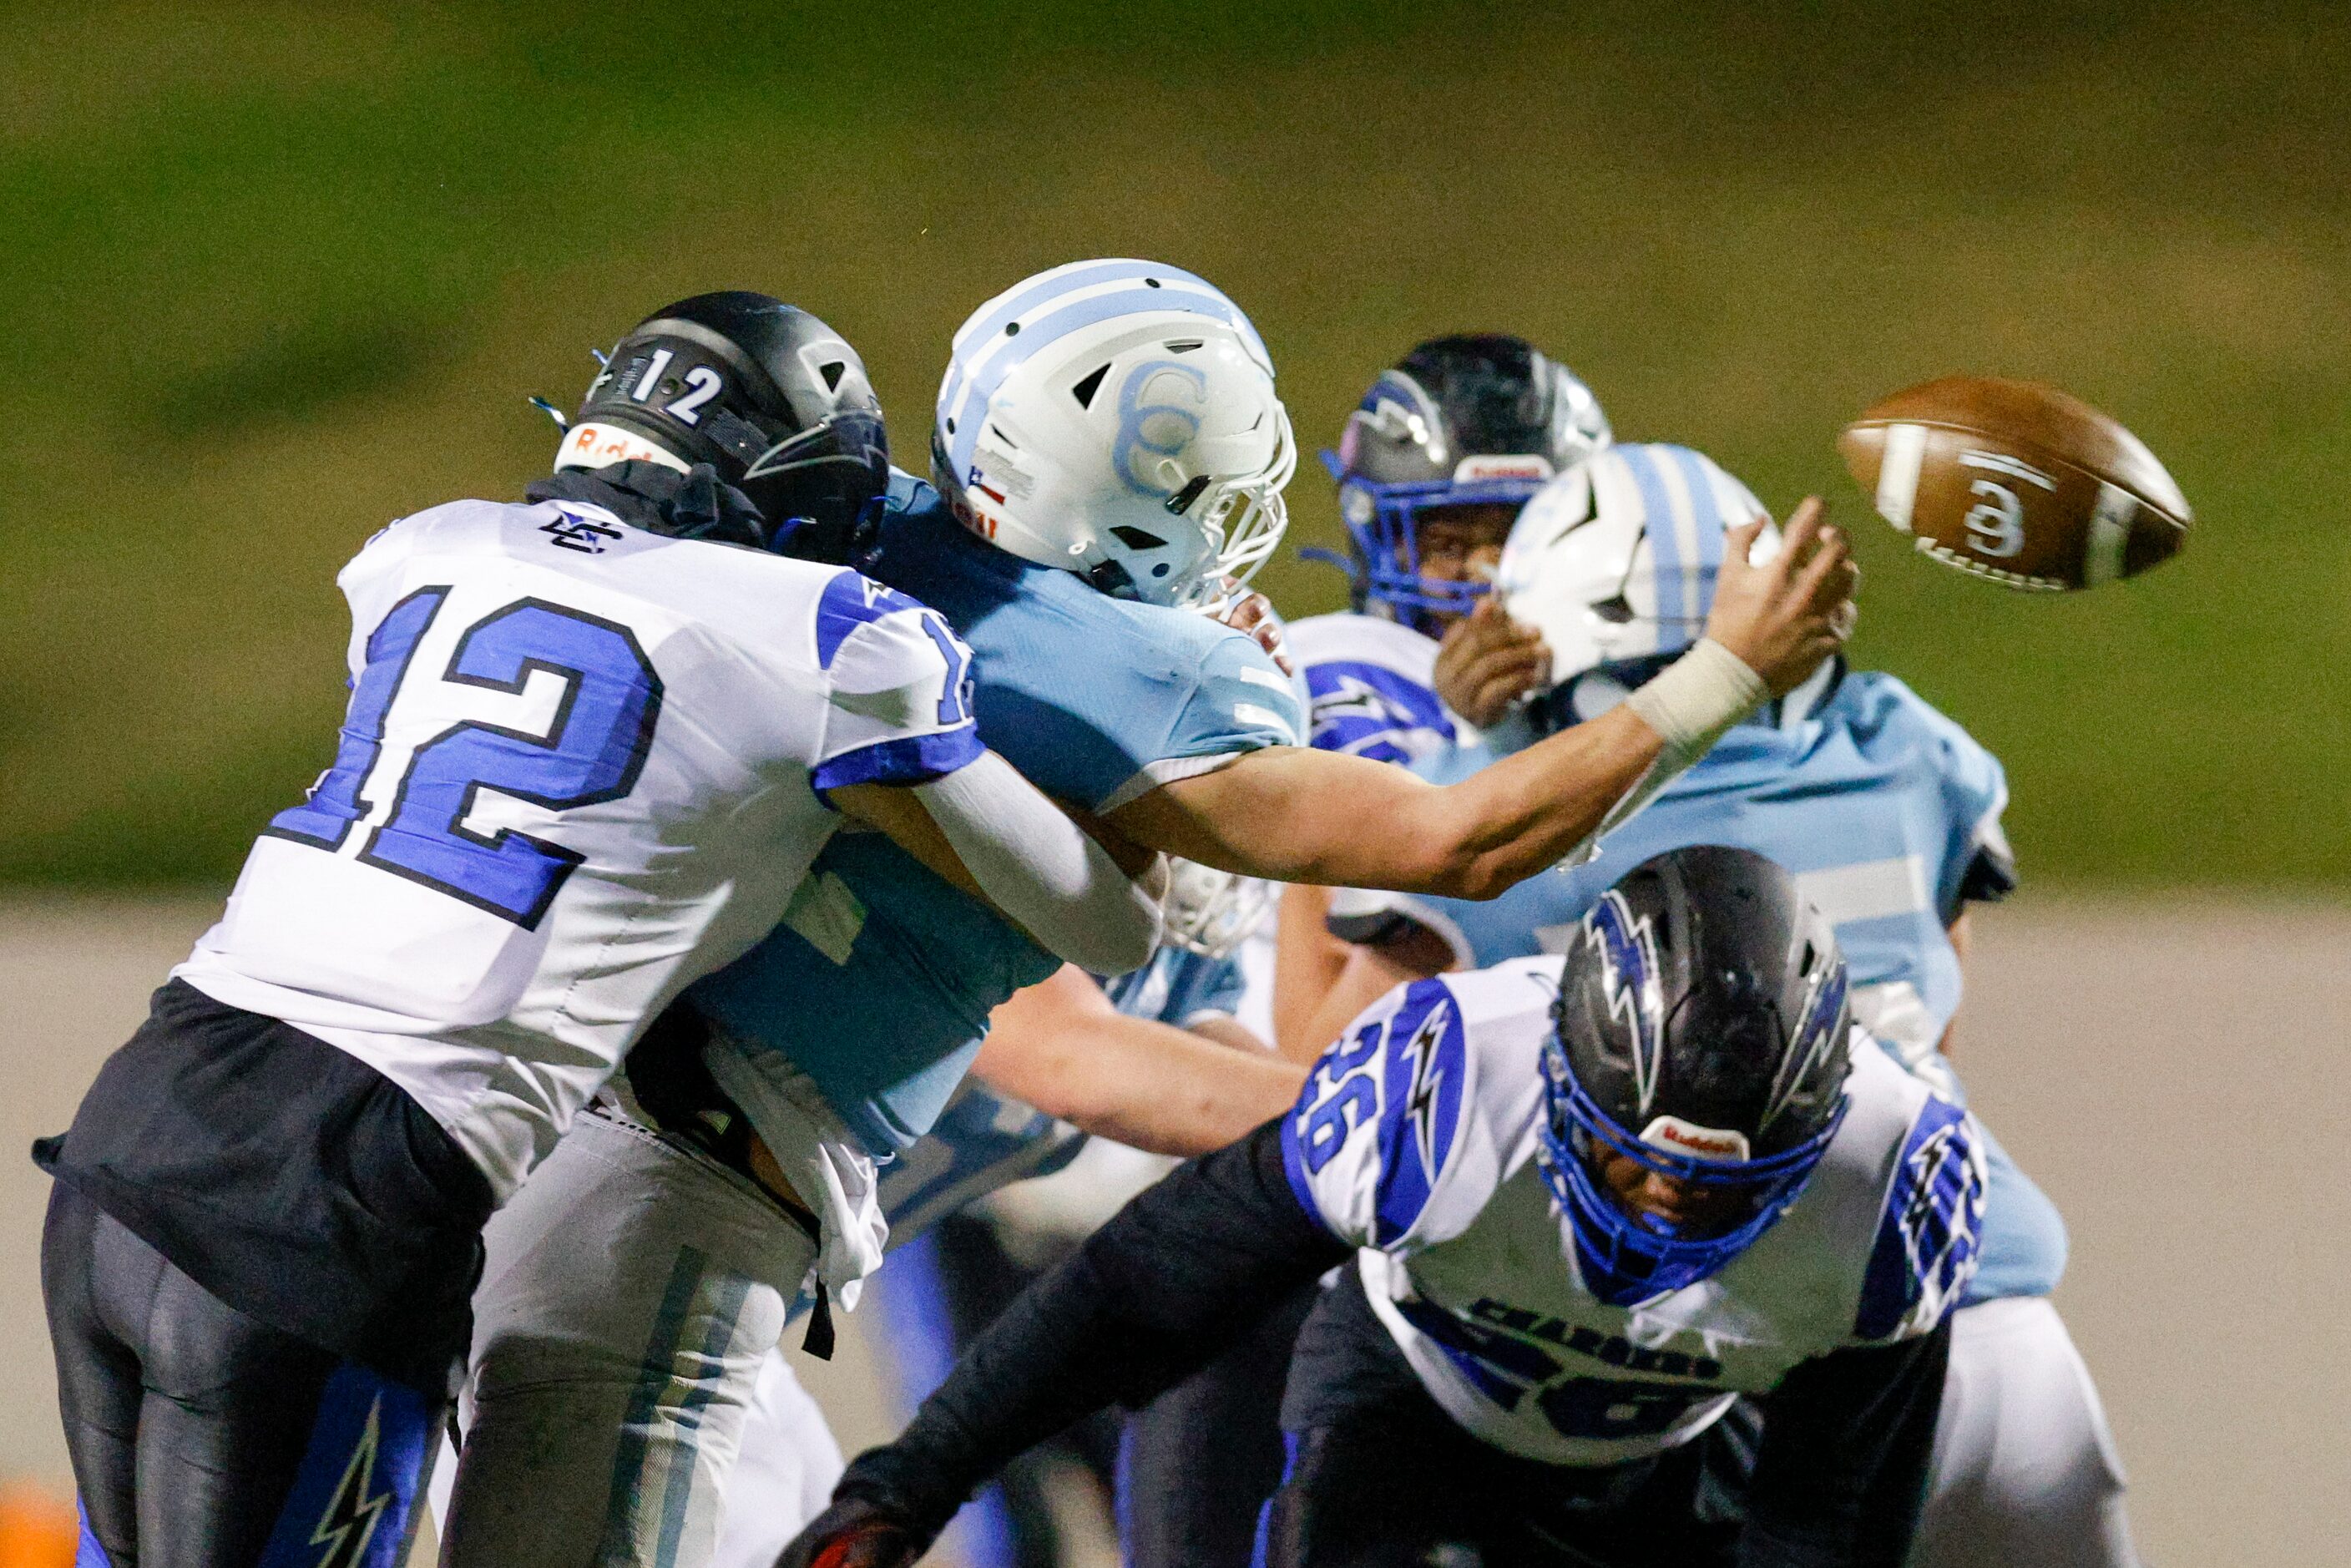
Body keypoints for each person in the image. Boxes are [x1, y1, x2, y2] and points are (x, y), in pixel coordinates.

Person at [440, 257, 1857, 1566]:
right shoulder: (1093, 686)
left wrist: (1367, 1122)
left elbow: (1253, 1053)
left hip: (561, 1145)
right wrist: (1433, 1149)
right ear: (1120, 516)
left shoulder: (918, 574)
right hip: (635, 1192)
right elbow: (1098, 1047)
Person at [34, 291, 1165, 1568]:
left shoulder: (427, 545)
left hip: (136, 1127)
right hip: (341, 1199)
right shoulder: (832, 638)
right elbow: (1102, 920)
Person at [1296, 440, 2141, 1566]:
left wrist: (1472, 745)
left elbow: (1323, 1072)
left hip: (1760, 1353)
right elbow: (1934, 1025)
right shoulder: (1909, 755)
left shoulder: (1493, 823)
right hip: (2002, 1337)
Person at [781, 845, 1987, 1568]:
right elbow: (1149, 1280)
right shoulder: (1447, 1087)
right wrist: (913, 1479)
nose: (1668, 1204)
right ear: (1565, 1078)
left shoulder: (1885, 1197)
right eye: (1633, 1161)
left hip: (1657, 1463)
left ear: (1813, 1144)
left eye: (1720, 1185)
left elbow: (1827, 1522)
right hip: (1401, 1404)